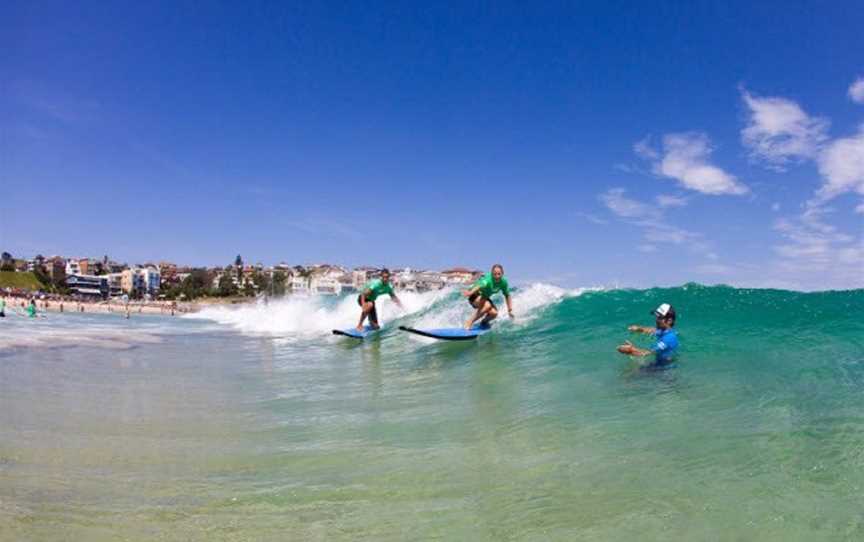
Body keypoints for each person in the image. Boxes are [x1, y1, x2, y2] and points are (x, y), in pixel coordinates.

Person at [617, 303, 679, 367]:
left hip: (664, 369)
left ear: (669, 320)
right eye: (657, 317)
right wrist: (640, 329)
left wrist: (630, 350)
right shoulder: (666, 330)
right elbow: (653, 330)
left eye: (660, 318)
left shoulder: (668, 339)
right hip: (660, 363)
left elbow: (647, 353)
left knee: (629, 376)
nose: (656, 320)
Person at [462, 264, 514, 330]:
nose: (497, 276)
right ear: (492, 273)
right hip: (474, 296)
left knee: (494, 313)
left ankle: (483, 322)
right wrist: (470, 292)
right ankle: (469, 322)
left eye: (499, 274)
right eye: (494, 274)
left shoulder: (503, 282)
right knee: (487, 306)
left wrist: (510, 310)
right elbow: (479, 286)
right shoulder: (488, 280)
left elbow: (507, 295)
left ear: (502, 274)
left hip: (484, 297)